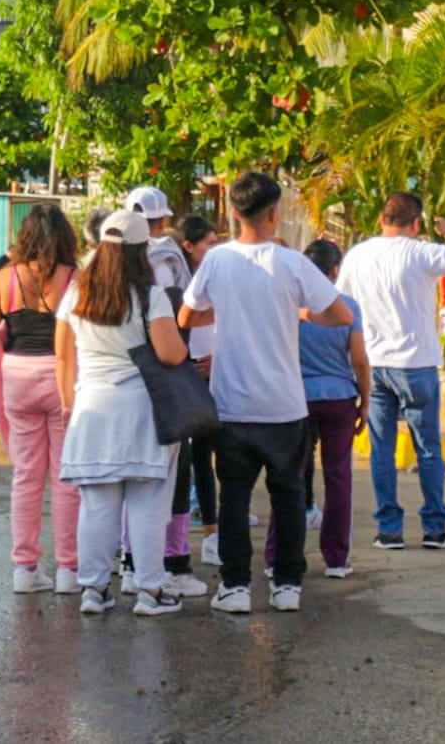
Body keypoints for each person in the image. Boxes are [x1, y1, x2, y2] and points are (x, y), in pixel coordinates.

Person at [179, 171, 353, 615]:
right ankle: (287, 585)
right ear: (275, 214)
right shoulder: (293, 264)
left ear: (233, 212)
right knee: (289, 495)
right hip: (285, 405)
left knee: (234, 498)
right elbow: (339, 315)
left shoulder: (216, 262)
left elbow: (188, 315)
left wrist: (228, 314)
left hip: (233, 405)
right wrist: (297, 313)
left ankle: (236, 586)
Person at [55, 209, 191, 617]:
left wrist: (68, 405)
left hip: (91, 409)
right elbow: (170, 354)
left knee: (97, 504)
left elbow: (63, 356)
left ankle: (94, 591)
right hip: (143, 412)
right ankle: (150, 592)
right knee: (148, 503)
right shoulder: (149, 296)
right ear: (139, 251)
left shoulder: (76, 293)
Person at [336, 192, 445, 551]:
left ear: (382, 220)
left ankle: (389, 530)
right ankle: (434, 529)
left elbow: (342, 307)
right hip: (416, 364)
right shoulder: (421, 252)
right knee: (428, 448)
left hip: (374, 363)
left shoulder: (357, 255)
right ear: (416, 224)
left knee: (381, 449)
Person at [0, 204, 80, 597]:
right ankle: (70, 569)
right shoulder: (75, 278)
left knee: (26, 475)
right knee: (65, 477)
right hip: (63, 376)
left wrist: (5, 341)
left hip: (17, 377)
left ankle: (25, 568)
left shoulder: (7, 277)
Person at [262, 239, 369, 580]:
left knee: (288, 476)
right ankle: (336, 559)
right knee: (338, 478)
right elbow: (360, 360)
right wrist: (365, 401)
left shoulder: (290, 307)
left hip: (296, 399)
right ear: (335, 270)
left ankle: (276, 556)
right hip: (339, 399)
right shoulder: (348, 307)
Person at [129, 188, 212, 599]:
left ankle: (129, 564)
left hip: (123, 384)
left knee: (131, 477)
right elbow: (176, 328)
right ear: (164, 221)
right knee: (175, 476)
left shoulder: (105, 269)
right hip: (168, 375)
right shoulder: (167, 258)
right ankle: (174, 562)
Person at [177, 214, 222, 567]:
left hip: (210, 378)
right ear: (188, 246)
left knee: (204, 459)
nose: (214, 247)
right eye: (208, 242)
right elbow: (180, 321)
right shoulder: (178, 281)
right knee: (179, 461)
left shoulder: (218, 278)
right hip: (180, 375)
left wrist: (216, 361)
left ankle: (210, 532)